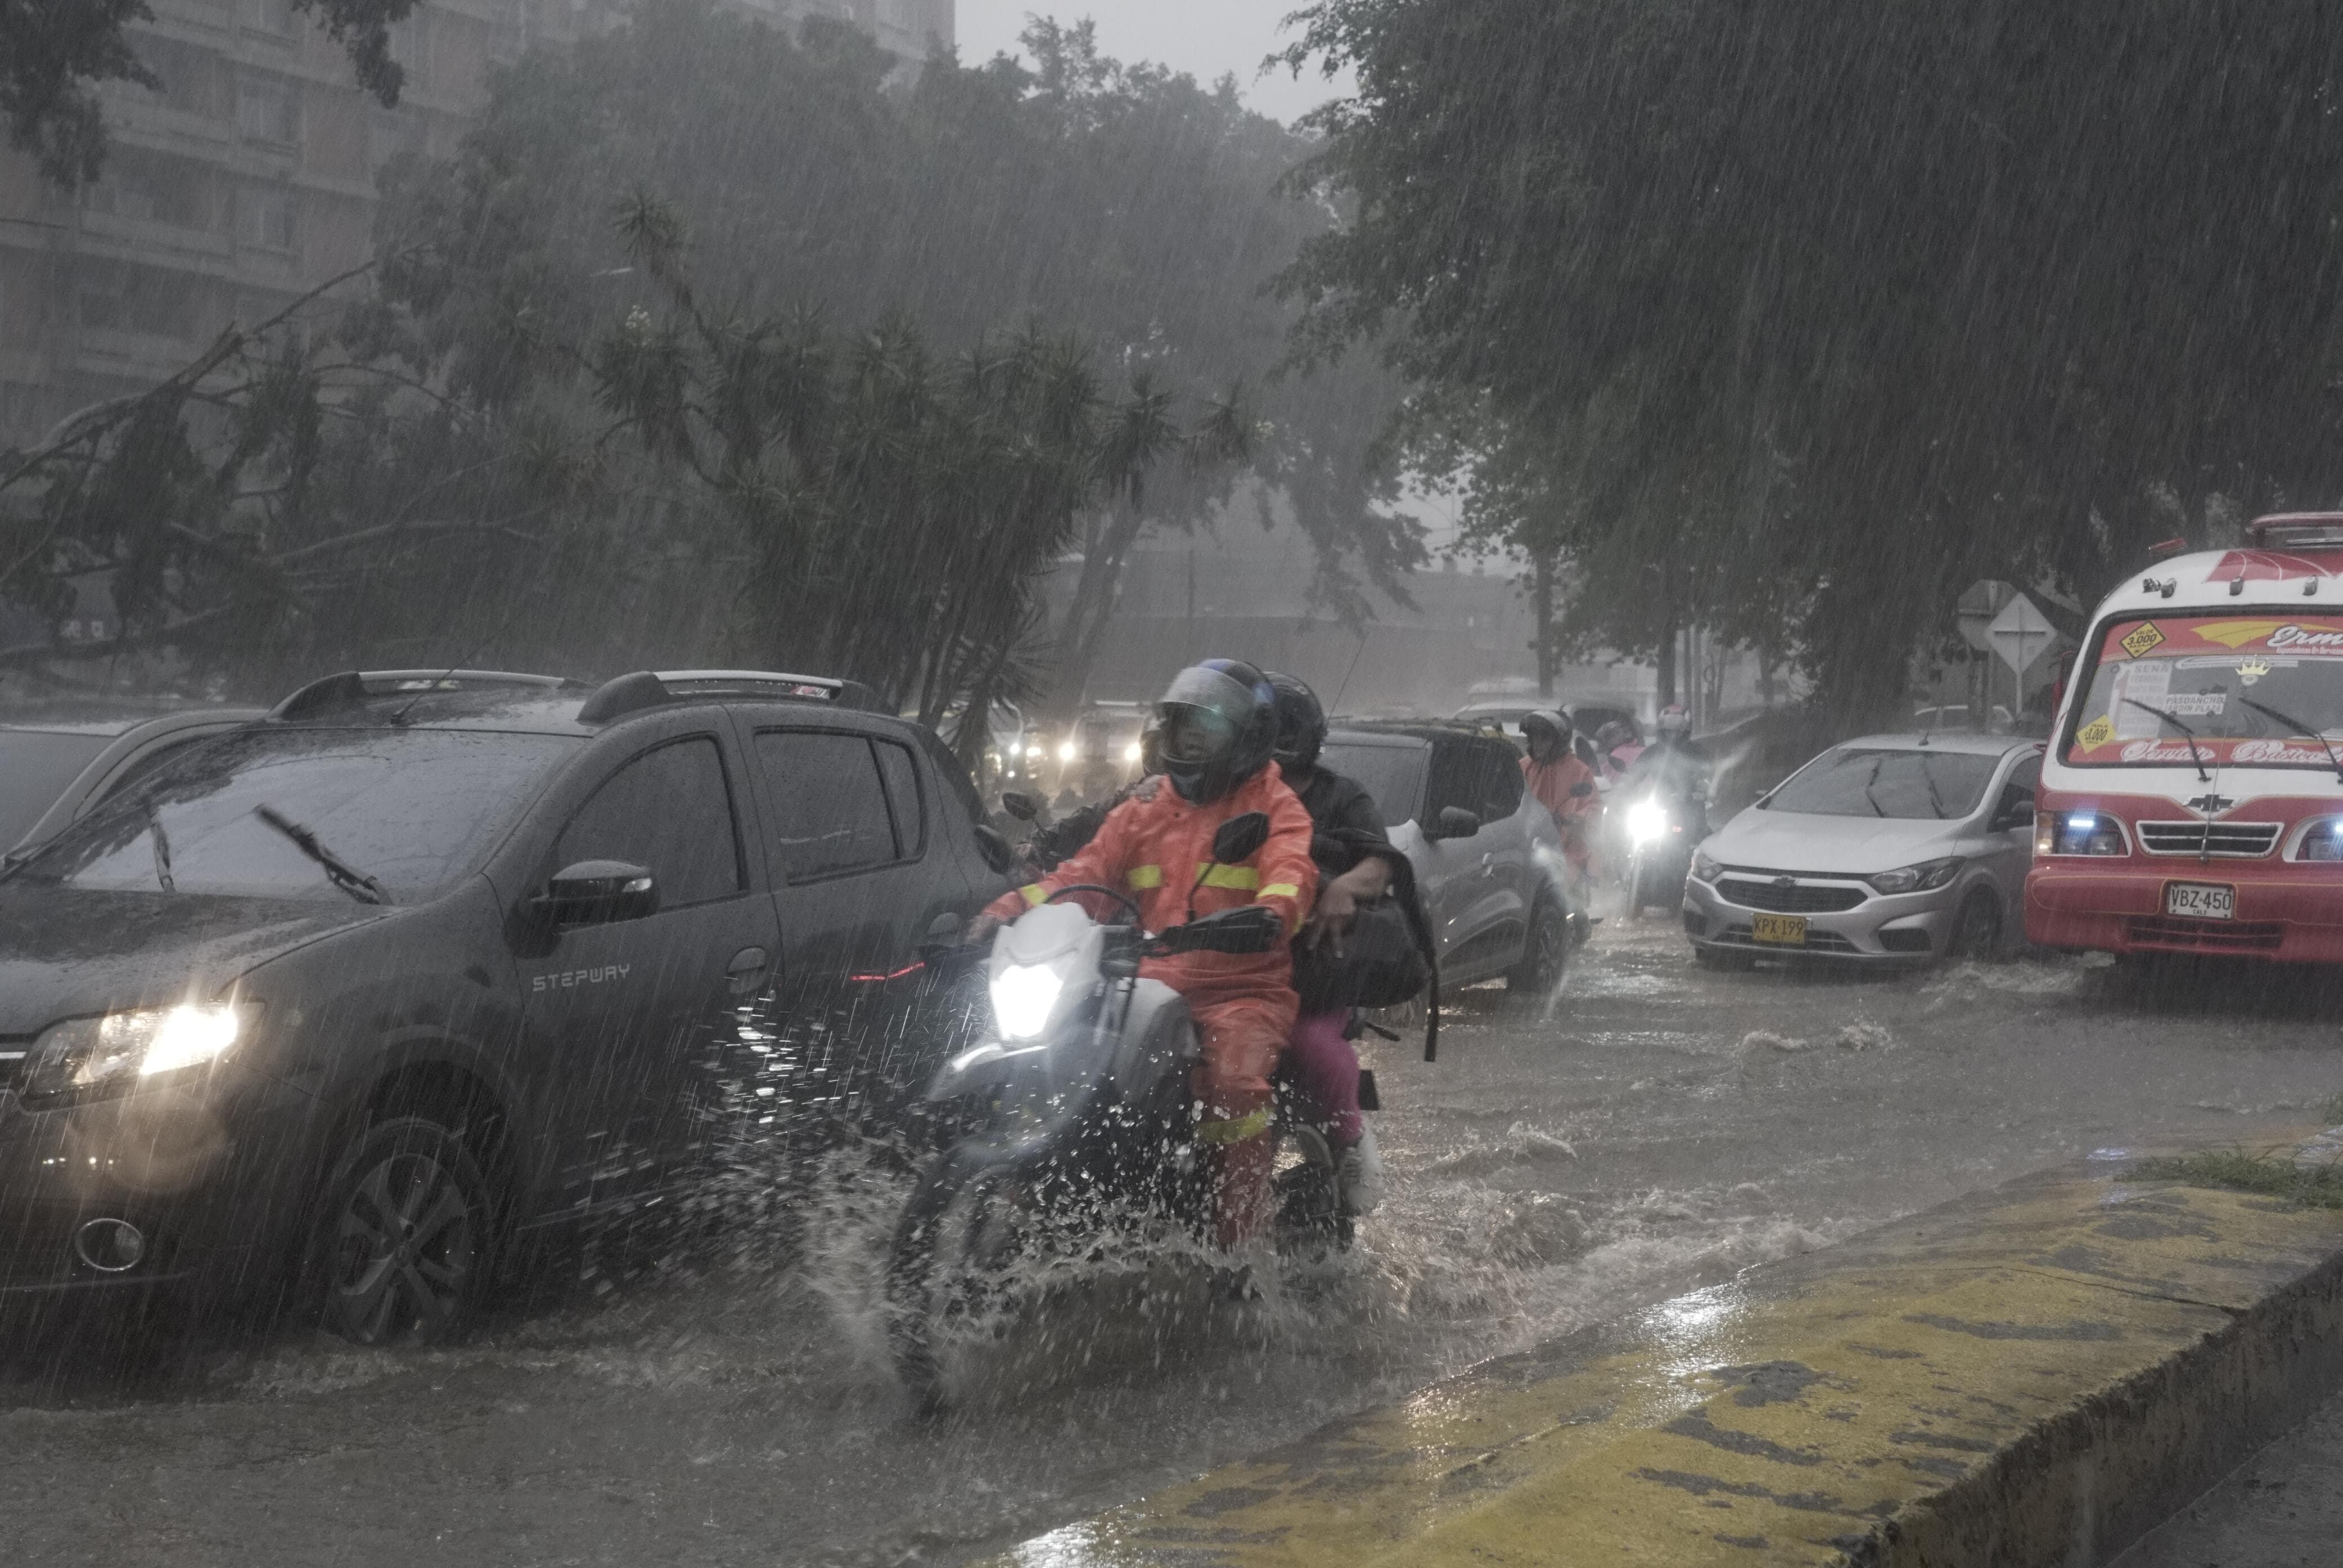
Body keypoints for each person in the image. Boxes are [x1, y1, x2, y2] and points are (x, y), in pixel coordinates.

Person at [966, 661, 1317, 1253]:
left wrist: (1269, 915)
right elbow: (1083, 876)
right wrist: (1003, 912)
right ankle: (1041, 1186)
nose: (1191, 743)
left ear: (1247, 737)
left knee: (1234, 1086)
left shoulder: (1276, 807)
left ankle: (1238, 1251)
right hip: (1143, 979)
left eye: (1206, 731)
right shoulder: (1143, 808)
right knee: (1048, 1051)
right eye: (1184, 731)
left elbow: (1292, 873)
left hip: (1237, 988)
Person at [1264, 671, 1398, 1216]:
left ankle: (1348, 1141)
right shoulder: (1220, 791)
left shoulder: (1341, 797)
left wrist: (1341, 887)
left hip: (1311, 965)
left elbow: (1381, 863)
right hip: (1218, 961)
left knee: (1309, 1043)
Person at [1521, 709, 1602, 889]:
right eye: (1534, 738)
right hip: (1531, 843)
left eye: (1545, 738)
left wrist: (1578, 819)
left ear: (1557, 741)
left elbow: (1594, 806)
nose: (1538, 743)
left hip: (1568, 848)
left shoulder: (1579, 770)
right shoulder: (1524, 766)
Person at [1623, 702, 1712, 833]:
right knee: (1636, 836)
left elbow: (1708, 773)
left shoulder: (1697, 752)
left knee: (1699, 834)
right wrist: (1625, 786)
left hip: (1691, 805)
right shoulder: (1653, 752)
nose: (1673, 735)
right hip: (1659, 805)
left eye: (1678, 732)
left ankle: (1698, 847)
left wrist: (1702, 788)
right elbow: (1637, 772)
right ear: (1661, 731)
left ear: (1686, 732)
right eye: (1668, 732)